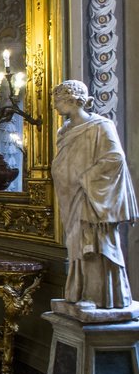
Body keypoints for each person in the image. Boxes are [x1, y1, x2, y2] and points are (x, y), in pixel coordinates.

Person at [51, 80, 137, 309]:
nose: (55, 107)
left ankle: (99, 296)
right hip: (71, 198)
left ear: (72, 100)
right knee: (76, 244)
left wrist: (85, 178)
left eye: (57, 101)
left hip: (92, 197)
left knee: (95, 245)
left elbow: (115, 158)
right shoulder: (65, 131)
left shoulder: (101, 126)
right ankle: (80, 292)